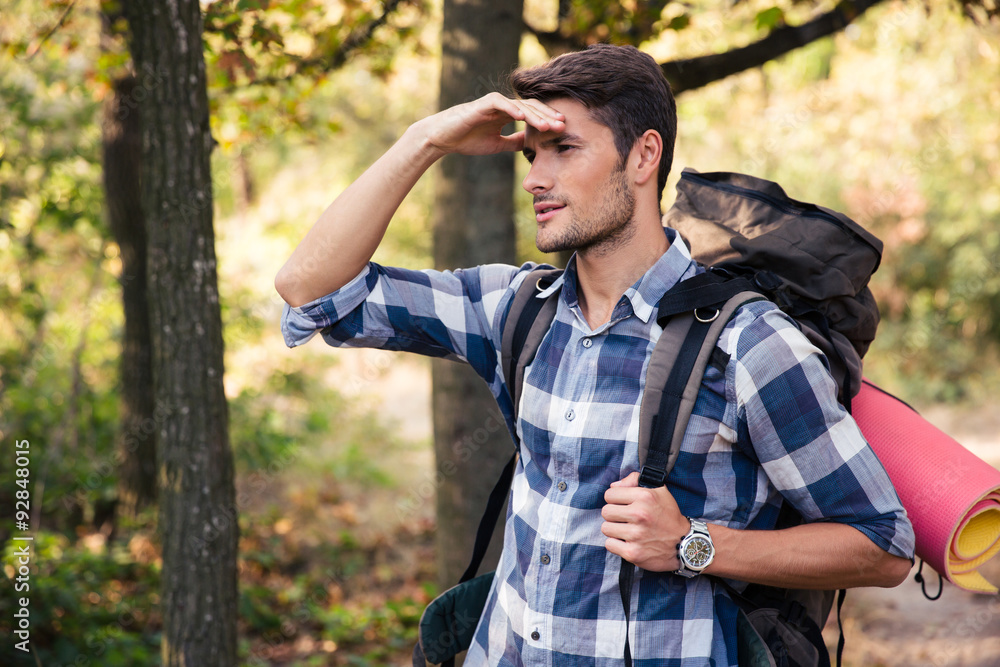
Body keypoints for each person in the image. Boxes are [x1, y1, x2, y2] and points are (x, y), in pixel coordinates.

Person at [276, 44, 915, 666]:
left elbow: (883, 545)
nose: (535, 179)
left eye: (564, 149)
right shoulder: (515, 307)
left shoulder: (749, 344)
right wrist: (425, 141)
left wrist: (693, 544)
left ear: (643, 156)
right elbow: (312, 291)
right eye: (531, 154)